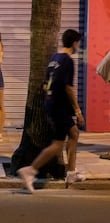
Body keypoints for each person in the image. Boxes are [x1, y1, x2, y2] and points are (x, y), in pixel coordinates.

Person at [17, 29, 86, 193]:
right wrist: (77, 110)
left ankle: (71, 173)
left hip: (52, 104)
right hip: (60, 107)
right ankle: (30, 170)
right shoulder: (68, 61)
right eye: (79, 43)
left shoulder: (54, 58)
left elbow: (45, 83)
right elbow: (69, 88)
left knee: (74, 134)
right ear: (75, 42)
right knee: (57, 144)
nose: (79, 46)